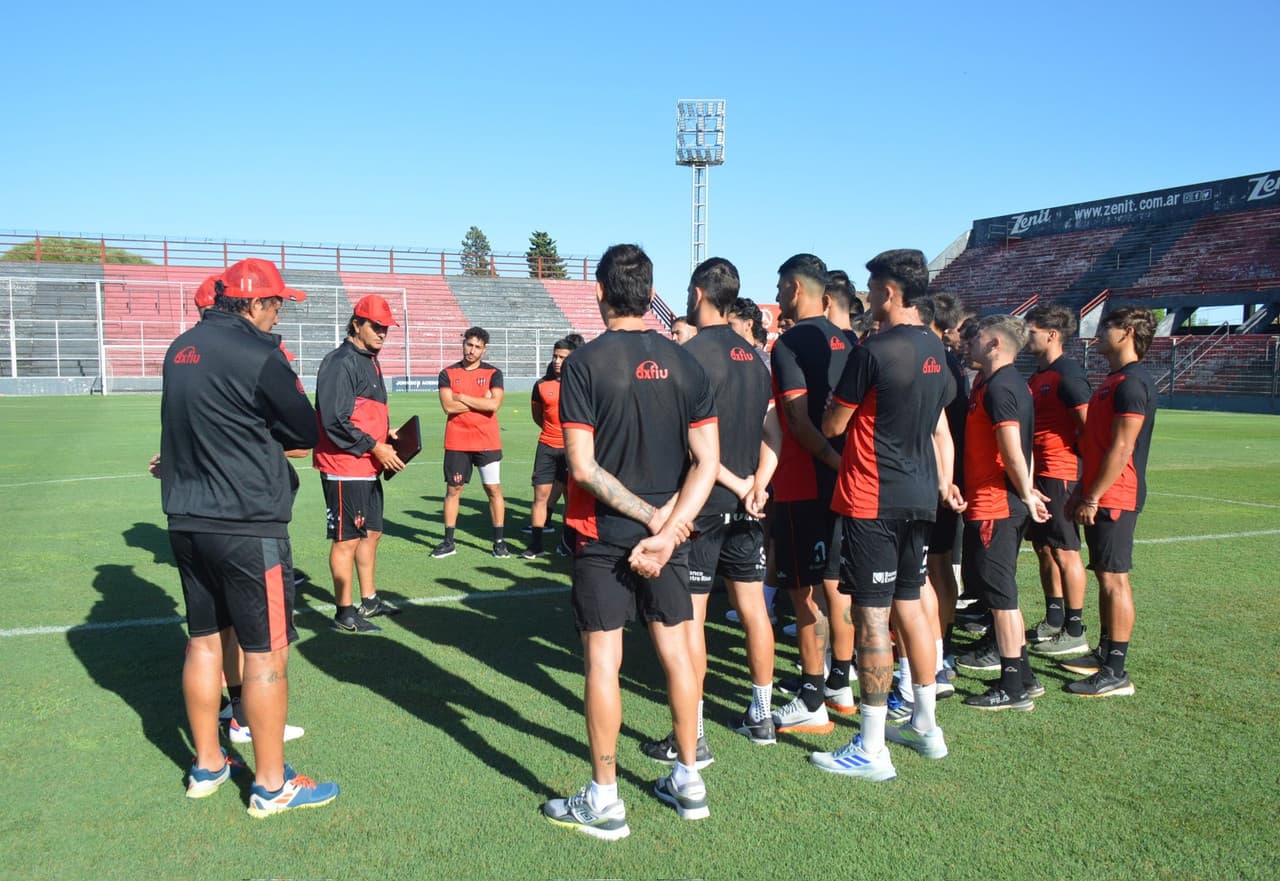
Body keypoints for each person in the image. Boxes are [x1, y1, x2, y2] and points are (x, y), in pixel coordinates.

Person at [541, 244, 719, 840]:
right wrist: (667, 531)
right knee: (676, 651)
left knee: (603, 660)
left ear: (599, 292)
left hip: (603, 534)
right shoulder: (686, 362)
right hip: (670, 537)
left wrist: (650, 523)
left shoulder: (584, 365)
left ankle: (605, 797)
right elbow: (708, 462)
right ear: (650, 293)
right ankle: (690, 779)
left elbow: (583, 469)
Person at [160, 257, 337, 816]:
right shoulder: (260, 354)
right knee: (266, 652)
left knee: (204, 639)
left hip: (186, 520)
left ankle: (208, 763)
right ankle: (270, 782)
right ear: (257, 303)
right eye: (277, 303)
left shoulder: (180, 348)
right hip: (245, 524)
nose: (279, 313)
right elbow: (304, 430)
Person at [813, 248, 962, 780]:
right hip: (921, 494)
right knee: (912, 608)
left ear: (891, 293)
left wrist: (831, 407)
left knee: (872, 616)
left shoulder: (873, 350)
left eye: (873, 289)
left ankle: (872, 748)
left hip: (872, 496)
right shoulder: (936, 349)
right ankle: (926, 725)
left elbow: (833, 424)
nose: (868, 297)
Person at [639, 257, 777, 760]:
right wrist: (758, 485)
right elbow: (773, 429)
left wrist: (739, 485)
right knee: (753, 608)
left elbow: (696, 446)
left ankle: (692, 734)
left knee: (691, 621)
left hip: (704, 505)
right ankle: (761, 713)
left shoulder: (690, 354)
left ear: (697, 294)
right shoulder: (755, 357)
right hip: (748, 504)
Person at [768, 254, 851, 735]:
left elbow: (797, 422)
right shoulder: (851, 341)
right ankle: (839, 684)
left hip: (806, 482)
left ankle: (812, 697)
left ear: (796, 289)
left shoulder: (790, 342)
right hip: (846, 483)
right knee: (836, 586)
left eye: (780, 289)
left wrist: (831, 462)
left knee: (804, 596)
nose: (778, 297)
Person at [1059, 307, 1158, 698]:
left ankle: (1116, 671)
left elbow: (1121, 447)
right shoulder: (1114, 380)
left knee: (1115, 579)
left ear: (1127, 332)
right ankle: (1105, 654)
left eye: (1105, 328)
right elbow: (1098, 445)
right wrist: (1083, 488)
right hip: (1102, 491)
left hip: (1117, 495)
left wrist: (1094, 495)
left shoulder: (1132, 384)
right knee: (1104, 575)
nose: (1096, 335)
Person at [957, 315, 1050, 711]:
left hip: (996, 506)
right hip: (993, 503)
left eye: (976, 337)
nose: (969, 343)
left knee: (1003, 599)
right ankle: (1024, 675)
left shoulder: (1002, 387)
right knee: (1000, 594)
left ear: (994, 343)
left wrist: (1027, 492)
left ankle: (1013, 688)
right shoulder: (996, 383)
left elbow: (1013, 447)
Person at [314, 294, 406, 634]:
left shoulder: (370, 359)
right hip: (344, 464)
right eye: (376, 326)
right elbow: (334, 421)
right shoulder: (340, 362)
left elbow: (361, 413)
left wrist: (387, 434)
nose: (383, 333)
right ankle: (344, 611)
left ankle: (369, 599)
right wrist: (374, 445)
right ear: (357, 324)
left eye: (386, 328)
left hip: (366, 464)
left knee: (372, 532)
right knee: (347, 539)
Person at [1022, 302, 1092, 658]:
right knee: (1044, 548)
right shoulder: (1038, 375)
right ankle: (1054, 618)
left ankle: (1075, 628)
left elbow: (1088, 427)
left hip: (1060, 472)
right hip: (1040, 473)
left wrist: (1083, 475)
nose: (1024, 336)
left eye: (1030, 331)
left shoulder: (1068, 374)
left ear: (1051, 334)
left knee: (1065, 550)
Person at [432, 327, 508, 558]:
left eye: (477, 347)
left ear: (484, 349)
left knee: (493, 489)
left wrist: (462, 397)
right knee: (453, 490)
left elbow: (494, 405)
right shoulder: (447, 373)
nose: (471, 350)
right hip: (457, 442)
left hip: (487, 441)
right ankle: (448, 541)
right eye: (469, 345)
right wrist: (480, 400)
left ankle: (499, 542)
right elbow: (448, 407)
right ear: (463, 344)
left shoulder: (494, 373)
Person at [523, 337, 578, 559]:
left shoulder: (580, 383)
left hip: (571, 450)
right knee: (540, 497)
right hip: (546, 447)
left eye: (562, 357)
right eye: (555, 356)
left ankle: (568, 542)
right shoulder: (541, 385)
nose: (557, 361)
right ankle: (536, 545)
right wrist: (552, 433)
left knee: (570, 498)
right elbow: (538, 417)